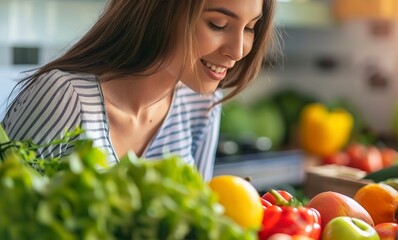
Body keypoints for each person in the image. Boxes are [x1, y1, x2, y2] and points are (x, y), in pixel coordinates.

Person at [1, 0, 278, 181]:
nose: (238, 50)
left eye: (250, 28)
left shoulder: (202, 107)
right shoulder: (62, 98)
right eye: (218, 24)